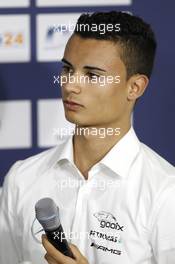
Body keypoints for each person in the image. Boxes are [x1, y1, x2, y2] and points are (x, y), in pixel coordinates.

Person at [0, 11, 175, 264]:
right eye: (67, 69)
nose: (70, 85)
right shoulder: (21, 179)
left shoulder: (166, 193)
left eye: (92, 75)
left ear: (135, 87)